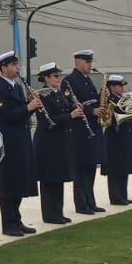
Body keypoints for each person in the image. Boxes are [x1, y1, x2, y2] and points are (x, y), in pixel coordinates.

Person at [0, 51, 40, 236]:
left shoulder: (17, 87)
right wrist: (28, 106)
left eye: (17, 64)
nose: (17, 68)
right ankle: (8, 224)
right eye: (13, 65)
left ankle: (17, 220)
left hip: (22, 139)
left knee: (19, 180)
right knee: (9, 183)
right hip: (9, 141)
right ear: (3, 68)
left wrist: (31, 105)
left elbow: (22, 115)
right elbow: (5, 116)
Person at [33, 62, 79, 224]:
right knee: (49, 179)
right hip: (48, 144)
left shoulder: (58, 94)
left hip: (61, 142)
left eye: (59, 75)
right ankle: (50, 214)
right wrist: (71, 116)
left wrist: (74, 109)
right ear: (46, 78)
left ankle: (58, 211)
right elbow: (48, 120)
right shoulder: (42, 96)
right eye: (55, 76)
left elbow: (65, 111)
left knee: (59, 178)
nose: (59, 79)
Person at [63, 49, 105, 215]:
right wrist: (91, 111)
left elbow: (92, 99)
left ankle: (90, 201)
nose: (90, 65)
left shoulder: (87, 80)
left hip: (92, 127)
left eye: (90, 62)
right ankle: (81, 204)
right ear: (78, 62)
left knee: (90, 166)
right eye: (87, 62)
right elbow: (70, 103)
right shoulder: (69, 81)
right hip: (80, 129)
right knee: (80, 169)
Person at [100, 74, 132, 205]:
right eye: (120, 85)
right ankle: (116, 197)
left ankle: (123, 194)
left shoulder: (122, 98)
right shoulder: (108, 99)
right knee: (115, 168)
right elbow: (111, 115)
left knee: (124, 167)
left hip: (125, 135)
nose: (122, 88)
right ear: (112, 87)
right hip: (114, 136)